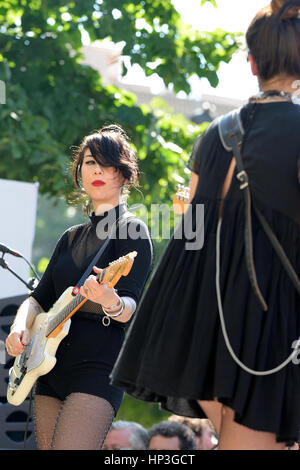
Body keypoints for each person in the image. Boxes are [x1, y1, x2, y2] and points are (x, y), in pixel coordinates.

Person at [111, 0, 300, 450]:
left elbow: (192, 232)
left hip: (209, 329)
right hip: (273, 319)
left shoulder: (214, 134)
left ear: (251, 62)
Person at [5, 124, 153, 450]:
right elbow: (38, 299)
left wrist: (109, 300)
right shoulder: (69, 237)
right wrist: (18, 327)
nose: (96, 169)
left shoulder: (133, 231)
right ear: (79, 172)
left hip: (97, 367)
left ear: (124, 174)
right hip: (49, 365)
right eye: (88, 162)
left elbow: (129, 309)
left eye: (106, 162)